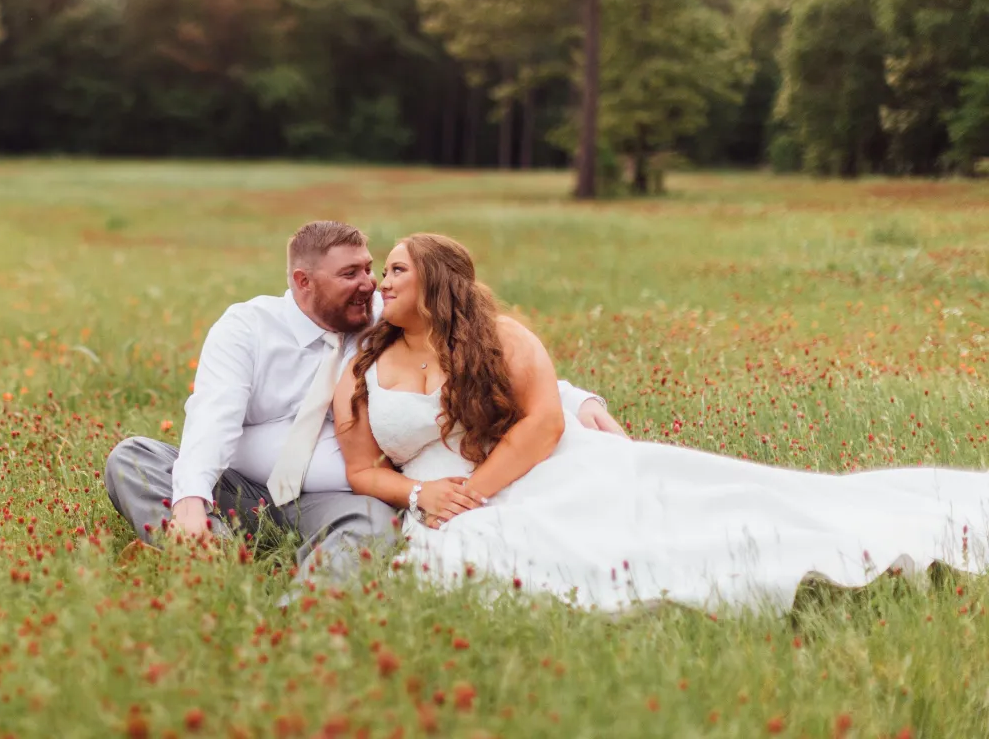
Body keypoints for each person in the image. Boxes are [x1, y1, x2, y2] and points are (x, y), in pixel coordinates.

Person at [332, 233, 989, 614]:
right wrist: (422, 495)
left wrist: (475, 493)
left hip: (535, 470)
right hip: (440, 504)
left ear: (438, 283)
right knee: (481, 563)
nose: (382, 283)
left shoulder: (500, 337)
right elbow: (362, 470)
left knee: (701, 514)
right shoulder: (362, 371)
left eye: (395, 269)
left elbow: (544, 423)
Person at [103, 221, 620, 584]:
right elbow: (211, 420)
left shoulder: (383, 313)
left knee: (372, 524)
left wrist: (576, 399)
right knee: (133, 457)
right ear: (303, 282)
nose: (370, 284)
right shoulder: (247, 328)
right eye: (351, 273)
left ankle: (301, 607)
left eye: (371, 269)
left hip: (334, 498)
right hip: (239, 488)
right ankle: (204, 555)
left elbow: (474, 346)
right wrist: (192, 503)